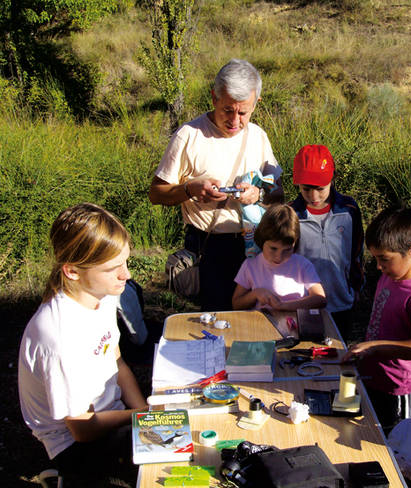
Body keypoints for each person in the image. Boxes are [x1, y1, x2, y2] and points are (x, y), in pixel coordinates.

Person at [18, 203, 148, 487]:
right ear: (73, 271)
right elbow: (81, 429)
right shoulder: (59, 335)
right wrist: (138, 418)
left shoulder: (102, 292)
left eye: (126, 262)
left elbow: (117, 362)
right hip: (75, 443)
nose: (125, 275)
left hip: (111, 414)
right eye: (113, 268)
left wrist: (145, 412)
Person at [149, 58, 284, 311]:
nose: (235, 121)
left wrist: (258, 193)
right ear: (213, 98)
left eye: (243, 112)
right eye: (227, 110)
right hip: (208, 249)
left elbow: (279, 193)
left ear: (257, 104)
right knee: (216, 324)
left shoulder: (258, 137)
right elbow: (156, 193)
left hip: (255, 248)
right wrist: (190, 189)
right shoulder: (189, 135)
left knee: (254, 321)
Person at [343, 207, 411, 434]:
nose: (378, 266)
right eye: (375, 258)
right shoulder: (390, 275)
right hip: (374, 375)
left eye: (384, 259)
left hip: (397, 387)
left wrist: (374, 347)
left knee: (393, 441)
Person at [289, 144, 364, 342]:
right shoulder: (290, 214)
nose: (314, 196)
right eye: (306, 189)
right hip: (304, 303)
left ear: (333, 177)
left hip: (341, 301)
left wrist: (357, 285)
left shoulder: (349, 210)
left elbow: (356, 251)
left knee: (339, 354)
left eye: (320, 189)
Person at [232, 204, 327, 311]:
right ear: (262, 240)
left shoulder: (302, 265)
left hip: (294, 325)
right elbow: (236, 304)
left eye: (287, 250)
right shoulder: (250, 265)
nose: (279, 256)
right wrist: (255, 294)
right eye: (273, 248)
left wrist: (283, 306)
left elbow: (320, 299)